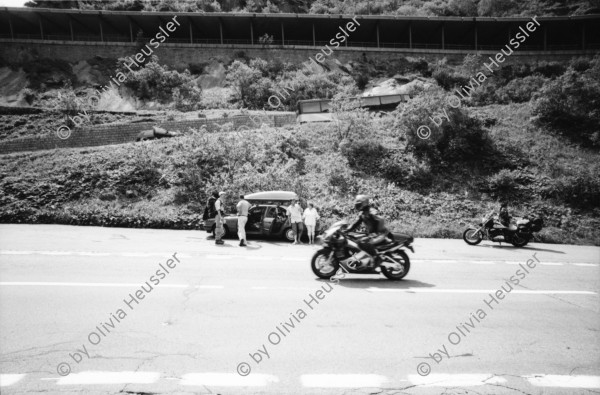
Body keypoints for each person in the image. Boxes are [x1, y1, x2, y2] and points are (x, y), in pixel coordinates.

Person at [348, 194, 389, 268]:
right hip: (373, 234)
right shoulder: (362, 214)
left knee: (363, 242)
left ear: (364, 203)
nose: (357, 206)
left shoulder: (371, 212)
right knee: (356, 240)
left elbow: (381, 219)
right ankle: (364, 259)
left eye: (359, 204)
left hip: (380, 234)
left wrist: (377, 232)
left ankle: (376, 258)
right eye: (357, 204)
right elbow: (355, 224)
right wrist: (346, 230)